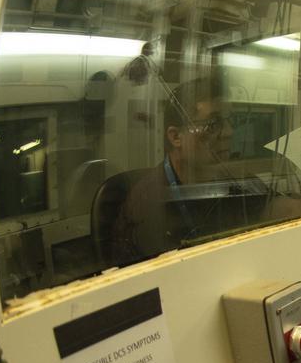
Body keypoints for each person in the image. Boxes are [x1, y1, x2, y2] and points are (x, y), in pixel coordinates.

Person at [107, 74, 254, 265]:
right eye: (213, 124)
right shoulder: (146, 205)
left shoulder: (231, 181)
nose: (228, 132)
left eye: (229, 120)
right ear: (176, 137)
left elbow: (276, 209)